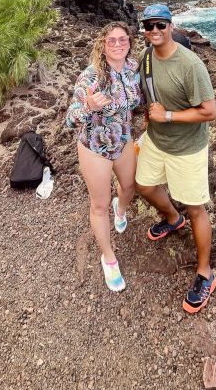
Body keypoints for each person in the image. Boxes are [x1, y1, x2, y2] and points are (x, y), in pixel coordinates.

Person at [135, 3, 216, 313]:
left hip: (187, 148)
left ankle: (204, 274)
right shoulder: (145, 59)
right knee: (143, 185)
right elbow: (143, 95)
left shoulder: (190, 64)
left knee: (196, 208)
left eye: (160, 25)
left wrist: (168, 115)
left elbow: (210, 112)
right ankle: (172, 219)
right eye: (148, 26)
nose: (154, 31)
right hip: (156, 140)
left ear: (171, 27)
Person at [65, 21, 142, 292]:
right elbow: (70, 119)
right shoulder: (91, 76)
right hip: (94, 146)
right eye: (112, 40)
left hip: (123, 141)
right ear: (103, 45)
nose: (118, 44)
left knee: (129, 186)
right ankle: (108, 258)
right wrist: (88, 106)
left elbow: (138, 103)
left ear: (130, 43)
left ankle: (120, 211)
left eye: (123, 39)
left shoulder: (134, 70)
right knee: (99, 204)